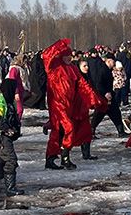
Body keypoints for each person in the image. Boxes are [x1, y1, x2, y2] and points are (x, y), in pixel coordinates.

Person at [42, 39, 107, 169]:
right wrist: (59, 45)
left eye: (69, 55)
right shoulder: (54, 67)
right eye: (66, 55)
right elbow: (46, 55)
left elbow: (83, 86)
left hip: (68, 105)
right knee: (68, 128)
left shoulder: (73, 69)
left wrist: (95, 99)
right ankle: (65, 158)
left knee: (60, 131)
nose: (68, 57)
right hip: (57, 104)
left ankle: (52, 159)